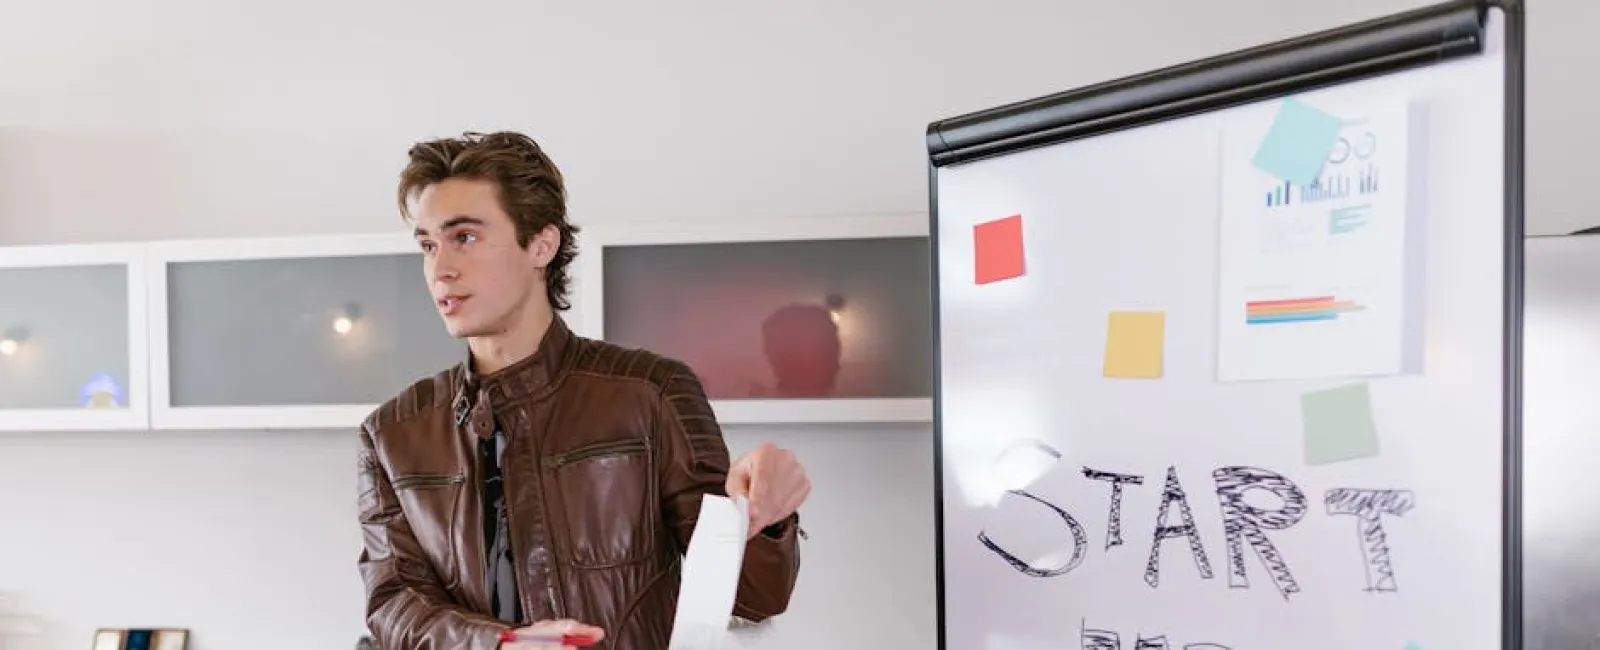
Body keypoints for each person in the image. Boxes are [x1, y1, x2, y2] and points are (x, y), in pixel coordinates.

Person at [356, 131, 811, 650]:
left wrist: (764, 514)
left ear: (541, 244)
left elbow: (752, 595)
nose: (440, 269)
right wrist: (502, 643)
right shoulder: (391, 433)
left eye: (465, 237)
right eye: (428, 245)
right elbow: (393, 604)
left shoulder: (653, 393)